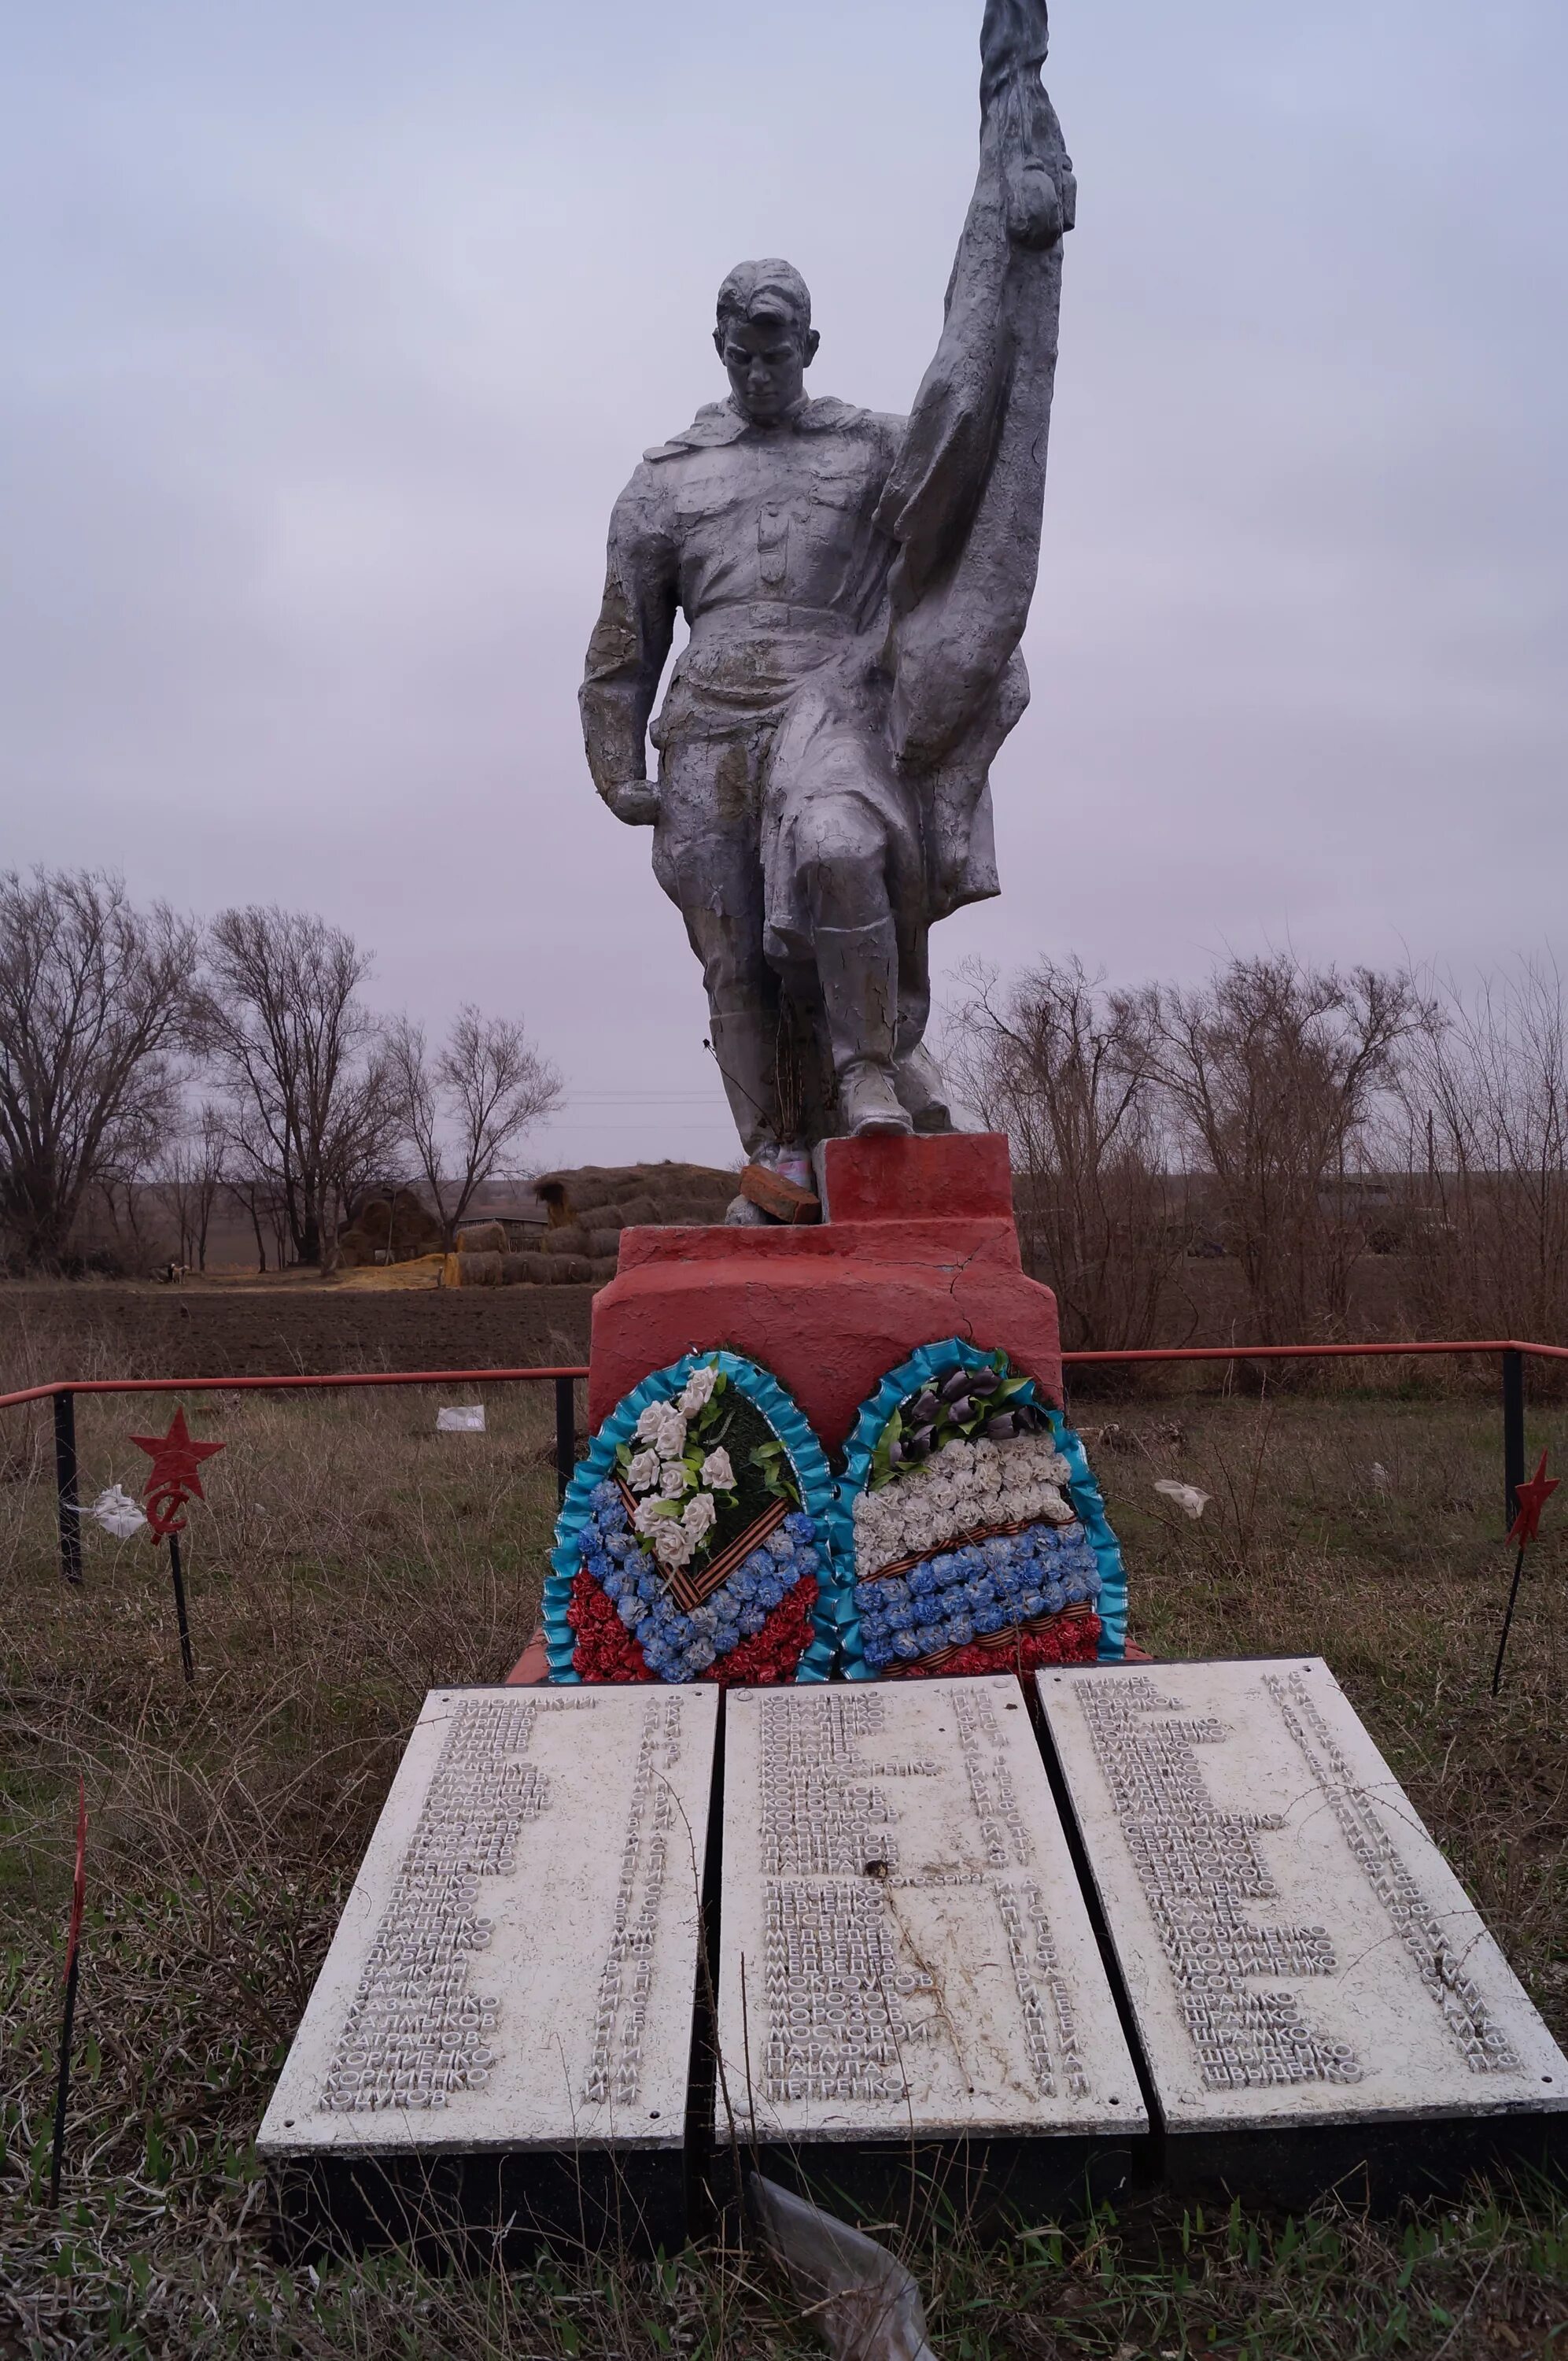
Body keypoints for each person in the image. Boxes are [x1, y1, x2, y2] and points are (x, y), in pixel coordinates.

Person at [581, 0, 1073, 1196]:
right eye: (740, 350)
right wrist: (615, 765)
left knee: (843, 846)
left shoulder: (866, 450)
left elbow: (968, 412)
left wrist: (1015, 261)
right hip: (705, 727)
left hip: (831, 704)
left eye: (778, 347)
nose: (759, 367)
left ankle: (869, 1068)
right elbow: (621, 644)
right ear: (716, 345)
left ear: (808, 341)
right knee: (736, 963)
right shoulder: (662, 483)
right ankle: (775, 1159)